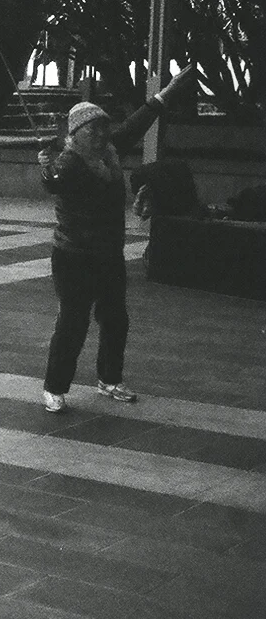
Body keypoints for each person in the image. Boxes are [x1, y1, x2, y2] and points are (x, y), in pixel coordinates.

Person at [37, 67, 193, 413]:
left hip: (108, 253)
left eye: (103, 127)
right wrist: (45, 168)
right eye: (92, 129)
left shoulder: (109, 151)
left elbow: (138, 122)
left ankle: (109, 379)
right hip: (73, 255)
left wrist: (166, 93)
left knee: (115, 318)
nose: (100, 134)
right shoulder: (70, 162)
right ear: (76, 134)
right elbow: (53, 182)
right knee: (73, 322)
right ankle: (54, 387)